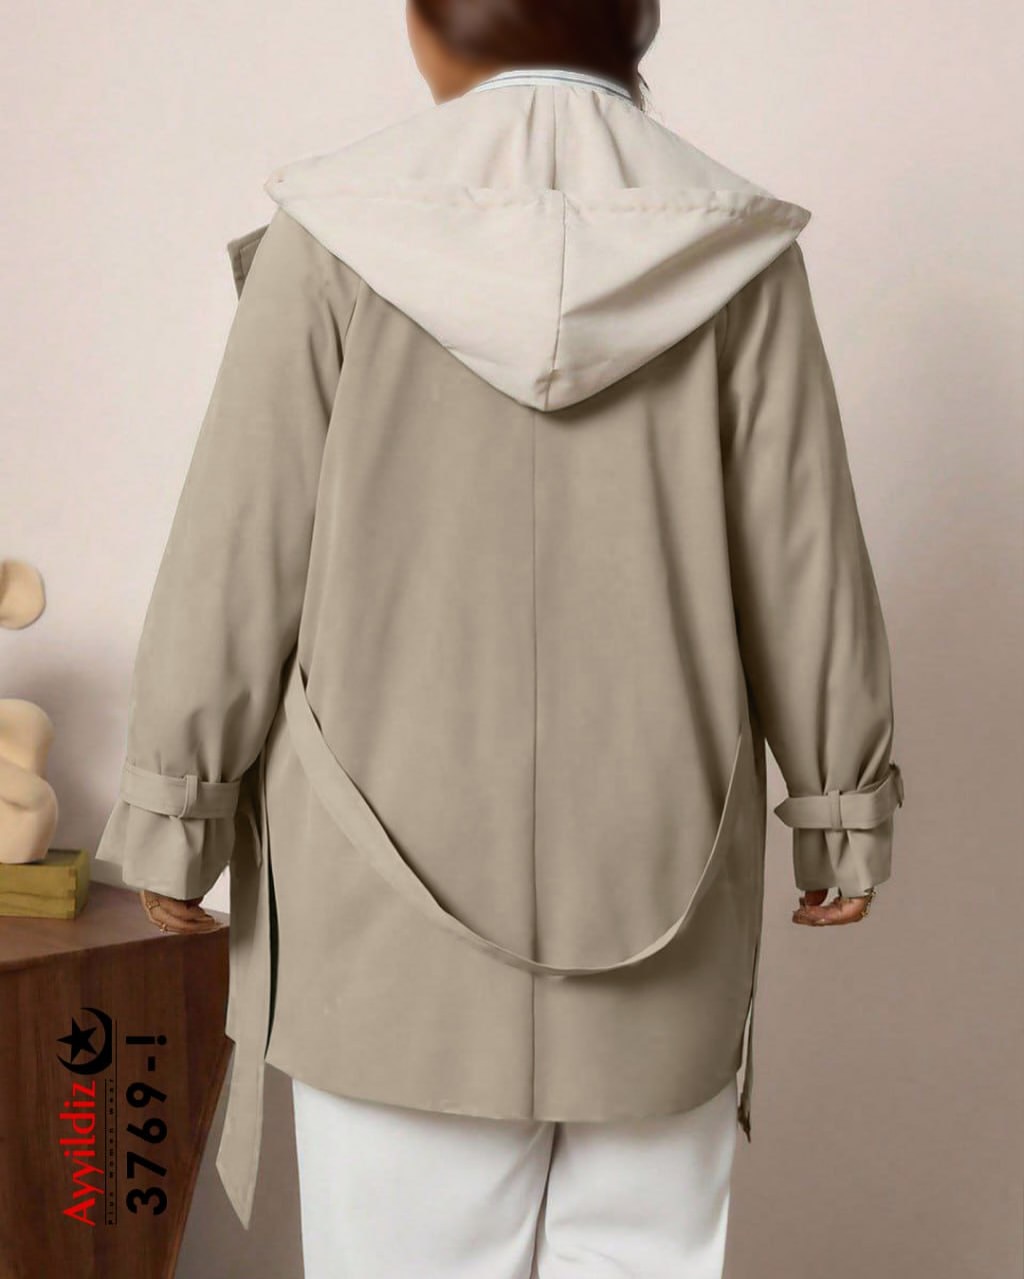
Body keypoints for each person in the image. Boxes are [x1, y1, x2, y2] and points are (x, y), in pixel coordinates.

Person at [96, 1, 906, 1274]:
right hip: (664, 888)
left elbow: (235, 549)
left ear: (431, 29)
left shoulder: (333, 235)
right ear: (636, 29)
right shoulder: (735, 253)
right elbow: (804, 556)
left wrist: (175, 811)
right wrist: (837, 807)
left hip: (380, 909)